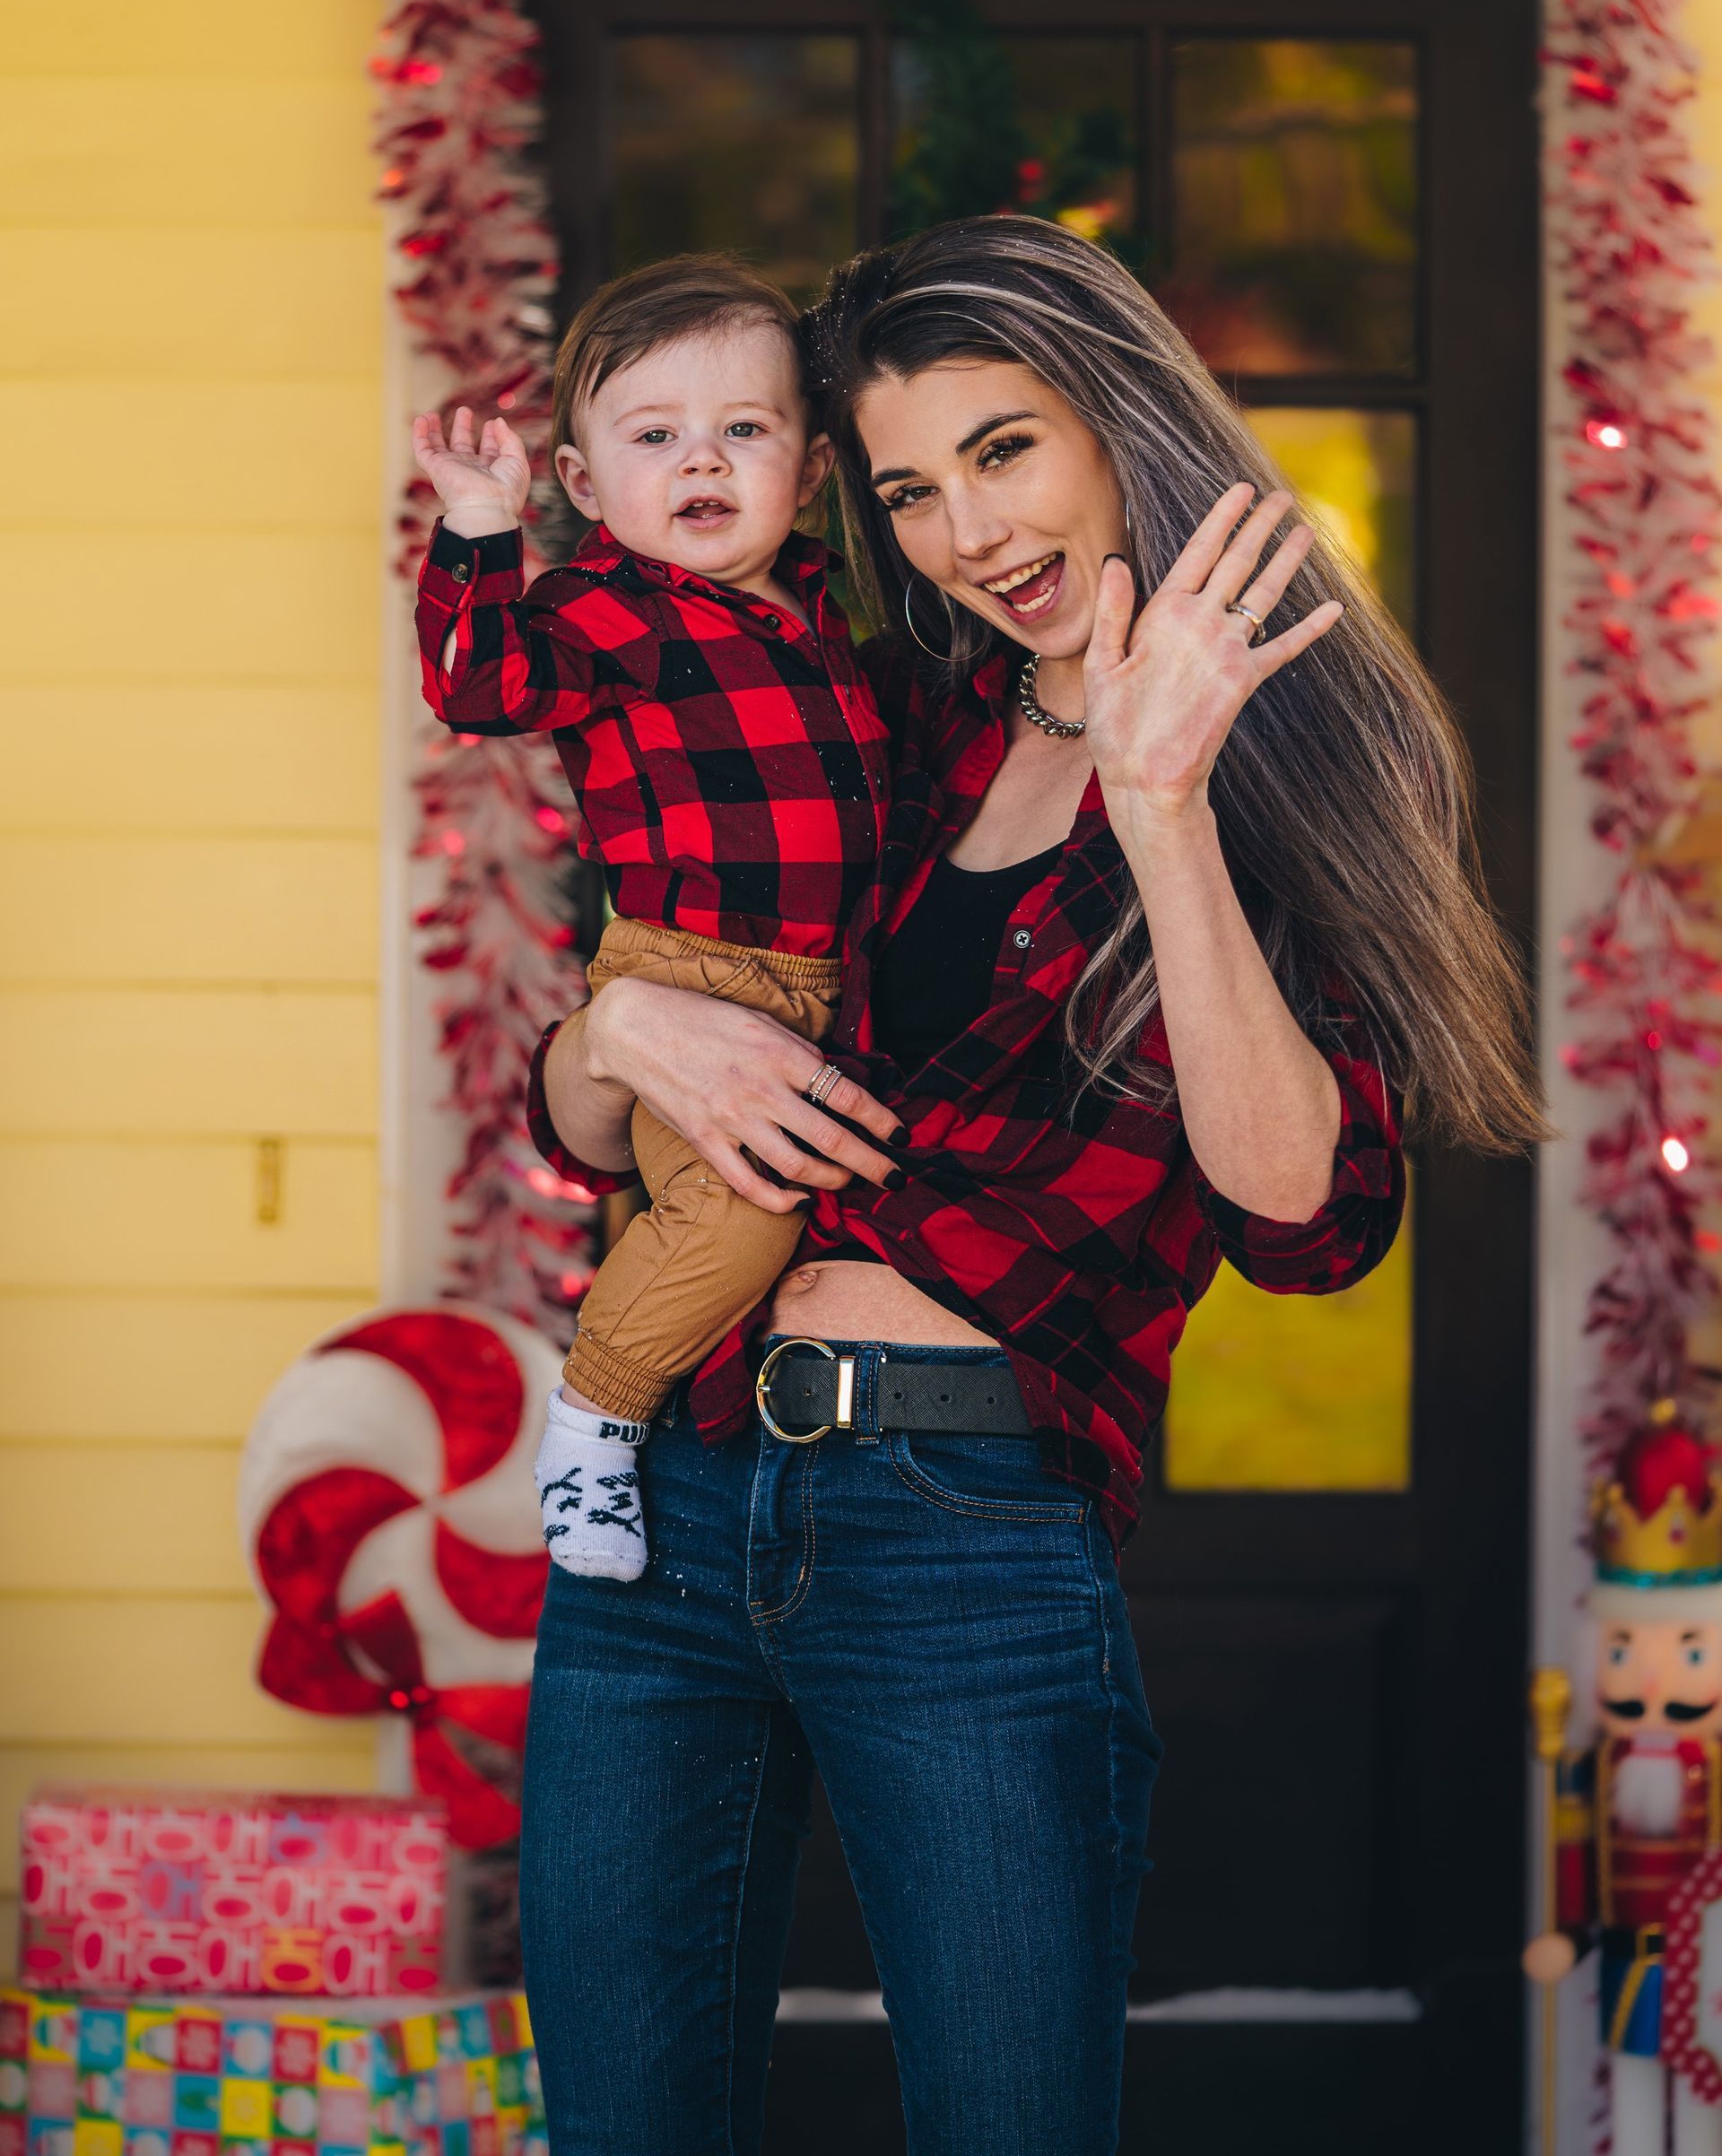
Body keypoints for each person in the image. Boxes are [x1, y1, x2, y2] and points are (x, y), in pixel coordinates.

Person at [517, 216, 1544, 2156]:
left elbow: (1306, 1219)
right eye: (907, 485)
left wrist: (1160, 809)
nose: (968, 532)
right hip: (660, 1505)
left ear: (1119, 424)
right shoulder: (889, 719)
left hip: (962, 1526)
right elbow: (590, 1109)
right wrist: (625, 1034)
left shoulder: (1288, 765)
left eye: (1004, 450)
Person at [412, 256, 891, 1582]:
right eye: (655, 435)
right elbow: (479, 684)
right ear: (584, 482)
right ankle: (595, 1420)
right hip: (693, 975)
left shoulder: (825, 611)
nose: (705, 461)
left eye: (745, 430)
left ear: (805, 470)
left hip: (818, 981)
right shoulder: (602, 610)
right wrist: (475, 530)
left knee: (783, 1189)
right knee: (744, 1209)